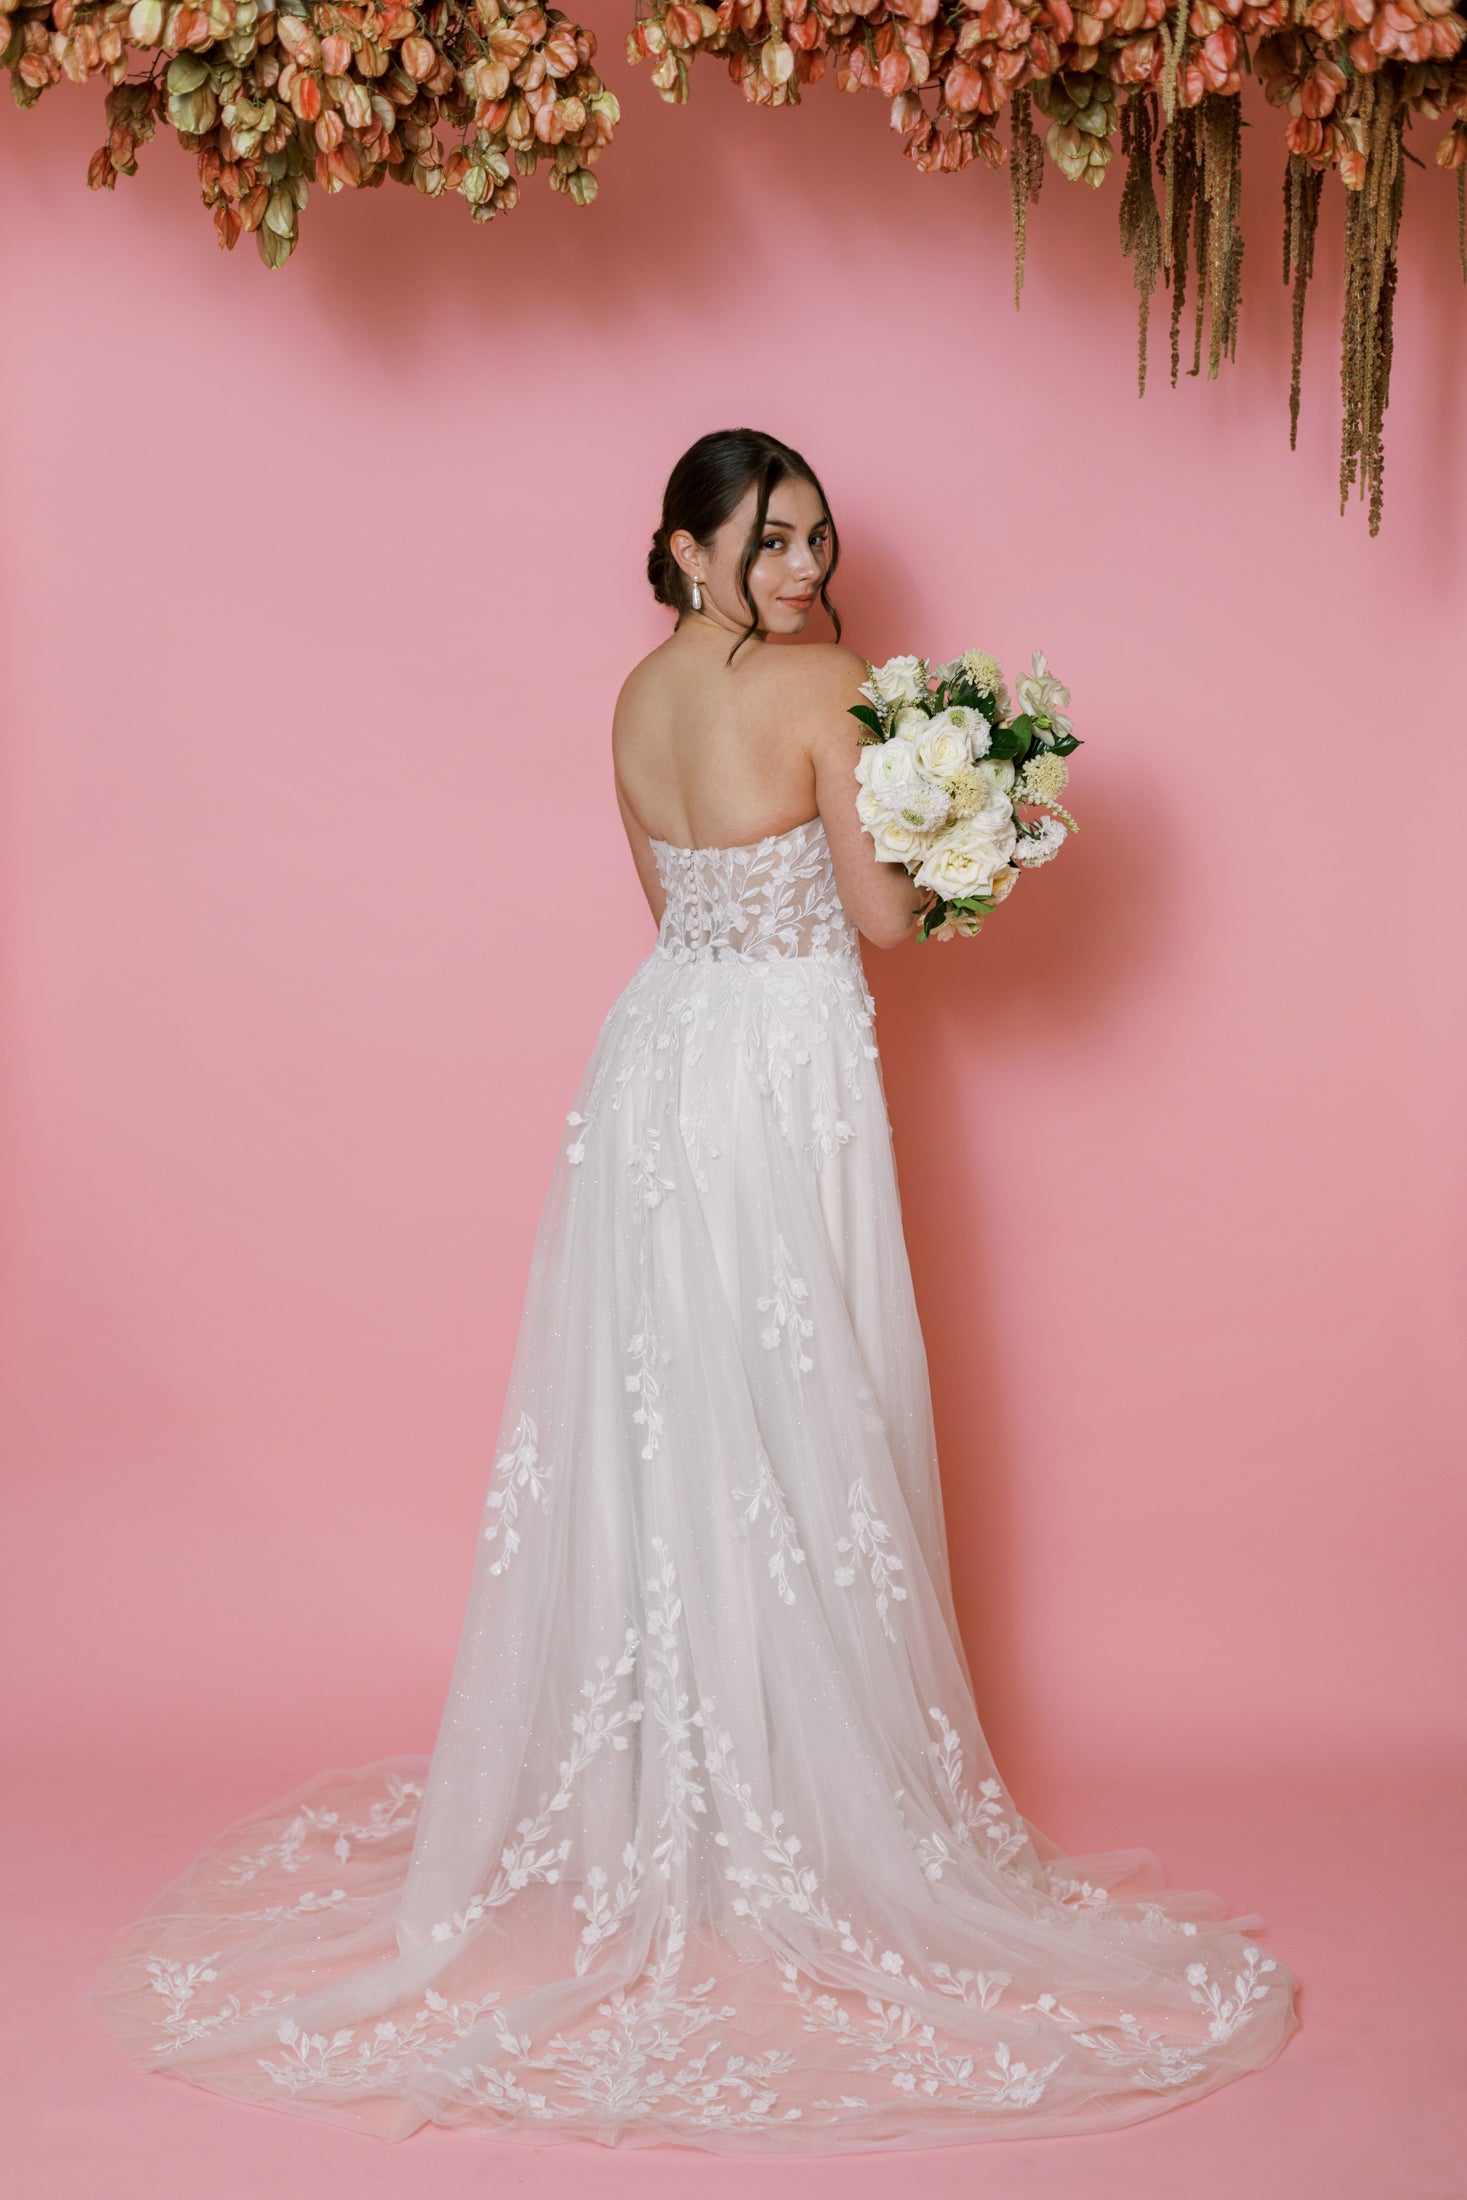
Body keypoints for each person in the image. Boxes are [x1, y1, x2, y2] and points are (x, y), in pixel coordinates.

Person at [95, 428, 1299, 2151]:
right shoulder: (820, 690)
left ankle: (696, 1794)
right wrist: (982, 838)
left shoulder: (632, 701)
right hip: (783, 1066)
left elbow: (672, 909)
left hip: (657, 1059)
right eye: (771, 540)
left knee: (671, 1415)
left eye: (816, 541)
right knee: (790, 1409)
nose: (803, 570)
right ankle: (791, 1808)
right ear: (682, 547)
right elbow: (878, 923)